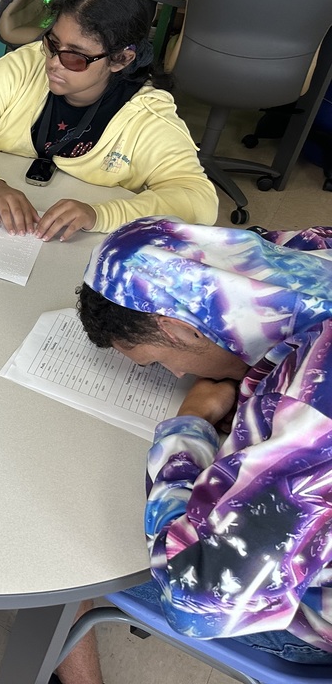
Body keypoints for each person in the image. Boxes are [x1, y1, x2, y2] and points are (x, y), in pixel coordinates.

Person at [64, 216, 332, 683]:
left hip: (307, 615)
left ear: (180, 330)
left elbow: (199, 599)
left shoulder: (311, 409)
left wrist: (187, 432)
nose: (174, 376)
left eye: (159, 362)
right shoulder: (306, 252)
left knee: (66, 544)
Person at [0, 0, 218, 243]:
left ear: (121, 59)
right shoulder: (21, 68)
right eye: (53, 43)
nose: (53, 62)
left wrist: (99, 215)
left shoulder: (147, 116)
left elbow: (200, 202)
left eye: (75, 58)